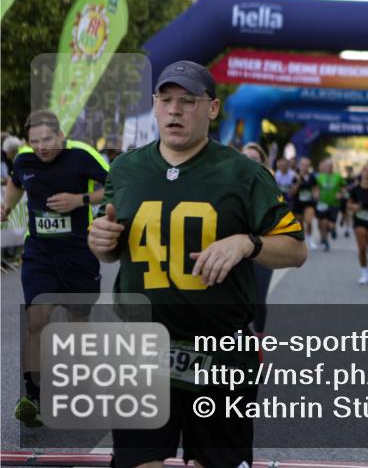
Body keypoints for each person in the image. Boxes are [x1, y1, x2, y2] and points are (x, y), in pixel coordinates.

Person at [87, 61, 307, 468]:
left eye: (188, 101)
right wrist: (100, 242)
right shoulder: (125, 169)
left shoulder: (244, 173)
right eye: (166, 100)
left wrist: (247, 243)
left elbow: (295, 249)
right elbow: (111, 247)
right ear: (154, 106)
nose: (175, 110)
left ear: (212, 109)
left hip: (222, 353)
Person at [1, 110, 109, 427]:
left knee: (78, 320)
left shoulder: (82, 155)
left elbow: (116, 185)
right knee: (37, 318)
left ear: (61, 135)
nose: (41, 147)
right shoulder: (23, 159)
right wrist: (7, 205)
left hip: (78, 250)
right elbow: (16, 182)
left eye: (47, 140)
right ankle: (33, 396)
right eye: (35, 142)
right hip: (40, 252)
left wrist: (81, 199)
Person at [242, 142, 275, 336]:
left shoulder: (269, 187)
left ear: (262, 163)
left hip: (263, 248)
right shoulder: (225, 185)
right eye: (244, 157)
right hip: (234, 251)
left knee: (257, 298)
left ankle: (259, 338)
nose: (248, 162)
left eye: (254, 159)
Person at [315, 158, 346, 251]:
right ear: (324, 167)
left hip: (334, 204)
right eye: (327, 166)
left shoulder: (338, 177)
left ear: (332, 167)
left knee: (331, 224)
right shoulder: (320, 177)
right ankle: (326, 242)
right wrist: (316, 194)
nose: (329, 168)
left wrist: (340, 194)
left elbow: (344, 187)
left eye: (330, 166)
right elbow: (316, 188)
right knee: (323, 222)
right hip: (323, 204)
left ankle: (332, 229)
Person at [290, 156, 319, 249]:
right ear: (299, 165)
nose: (304, 167)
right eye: (303, 165)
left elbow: (315, 189)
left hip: (309, 203)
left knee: (308, 220)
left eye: (307, 165)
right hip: (298, 203)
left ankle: (310, 239)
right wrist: (298, 181)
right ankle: (301, 240)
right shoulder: (295, 176)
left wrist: (316, 195)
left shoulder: (312, 177)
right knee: (299, 223)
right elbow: (292, 192)